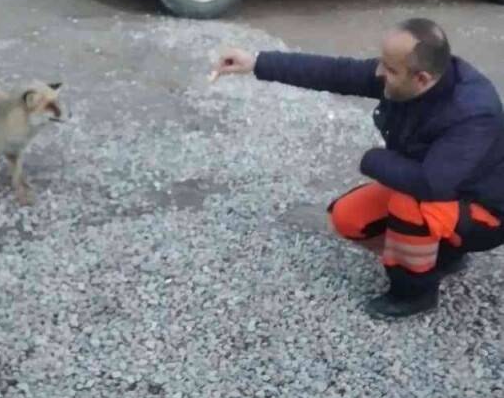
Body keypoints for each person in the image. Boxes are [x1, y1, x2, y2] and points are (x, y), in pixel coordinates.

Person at [210, 19, 504, 320]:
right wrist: (257, 63)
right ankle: (443, 254)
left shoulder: (473, 112)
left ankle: (415, 293)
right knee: (348, 218)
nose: (379, 73)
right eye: (382, 63)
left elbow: (430, 185)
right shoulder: (406, 75)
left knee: (410, 205)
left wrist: (372, 159)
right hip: (437, 185)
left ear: (422, 78)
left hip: (485, 210)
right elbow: (336, 73)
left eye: (389, 70)